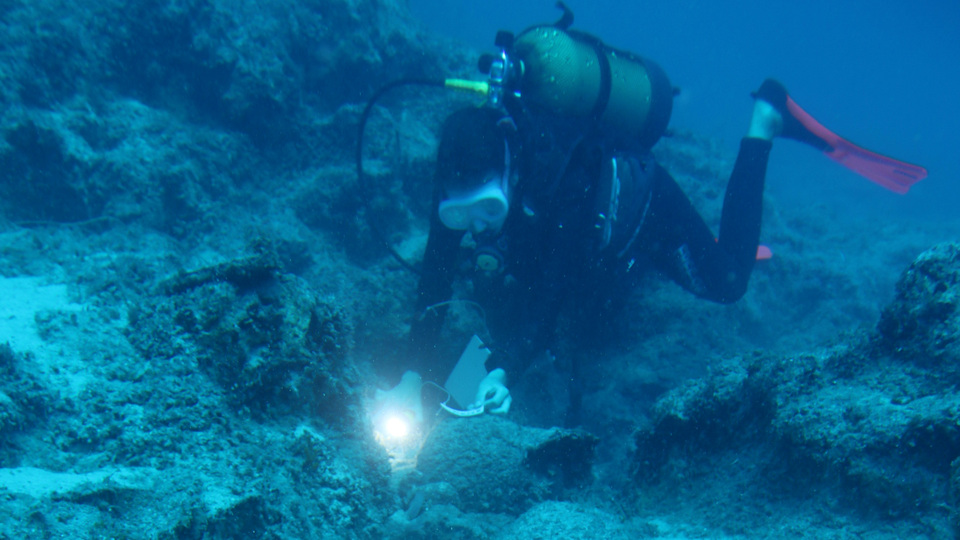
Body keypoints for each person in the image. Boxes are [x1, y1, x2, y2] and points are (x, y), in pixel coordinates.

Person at [388, 18, 925, 426]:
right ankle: (627, 269)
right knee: (541, 290)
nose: (476, 227)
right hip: (571, 237)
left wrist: (504, 366)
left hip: (633, 199)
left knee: (726, 280)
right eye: (462, 215)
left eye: (488, 211)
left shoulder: (565, 180)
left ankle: (766, 120)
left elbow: (552, 286)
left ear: (509, 176)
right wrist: (411, 375)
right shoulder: (463, 166)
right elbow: (436, 269)